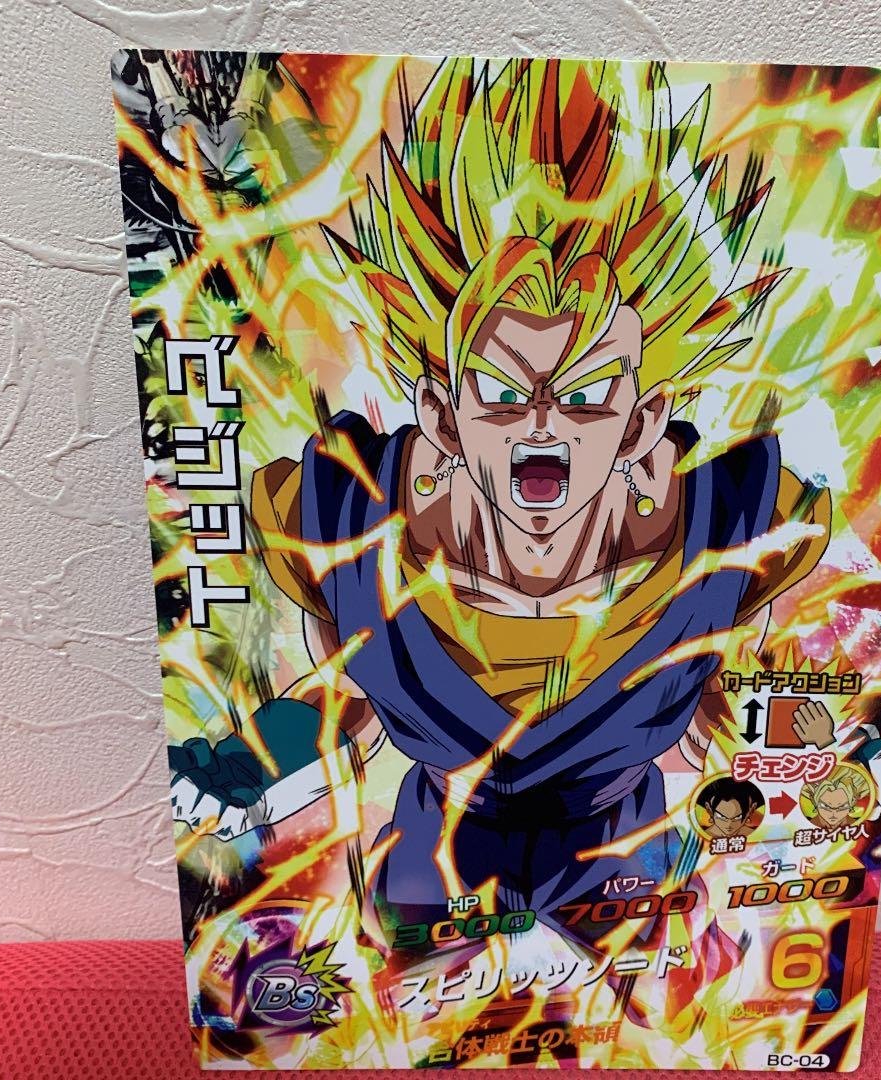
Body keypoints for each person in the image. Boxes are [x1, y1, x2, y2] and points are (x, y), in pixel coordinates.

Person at [169, 58, 832, 949]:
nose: (543, 426)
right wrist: (246, 770)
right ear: (441, 412)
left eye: (587, 395)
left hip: (627, 889)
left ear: (644, 420)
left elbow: (731, 714)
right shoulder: (352, 526)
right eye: (502, 392)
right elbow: (344, 703)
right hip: (431, 887)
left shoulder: (723, 533)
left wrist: (805, 767)